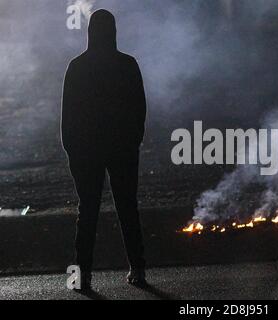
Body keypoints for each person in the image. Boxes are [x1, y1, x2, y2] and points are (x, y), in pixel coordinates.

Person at [61, 9, 147, 290]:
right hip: (122, 148)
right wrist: (133, 141)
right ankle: (137, 269)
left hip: (87, 151)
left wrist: (72, 150)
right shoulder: (127, 64)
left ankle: (83, 275)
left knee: (87, 211)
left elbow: (68, 115)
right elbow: (139, 109)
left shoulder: (77, 66)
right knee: (127, 208)